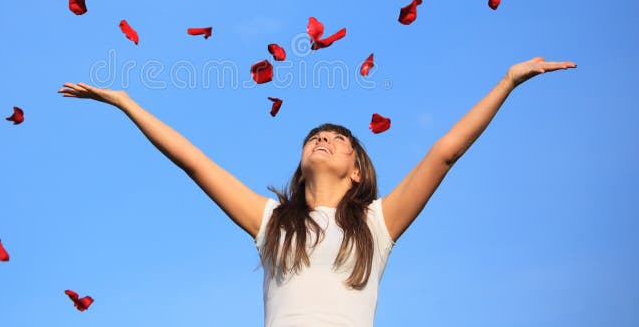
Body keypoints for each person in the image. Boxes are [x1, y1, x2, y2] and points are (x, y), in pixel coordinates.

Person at [58, 56, 575, 326]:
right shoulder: (270, 222)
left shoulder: (378, 223)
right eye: (315, 136)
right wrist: (127, 103)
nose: (324, 138)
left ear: (357, 171)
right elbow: (192, 161)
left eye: (340, 140)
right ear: (301, 165)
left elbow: (444, 153)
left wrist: (507, 82)